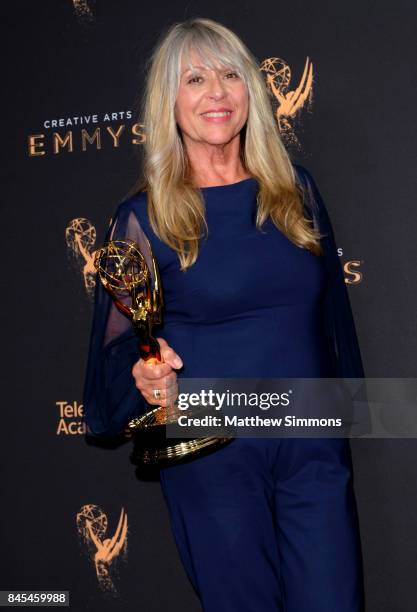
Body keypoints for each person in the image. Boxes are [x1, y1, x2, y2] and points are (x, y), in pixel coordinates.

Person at [83, 17, 366, 611]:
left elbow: (333, 321)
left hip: (310, 437)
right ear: (170, 101)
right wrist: (145, 376)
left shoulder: (295, 191)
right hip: (212, 445)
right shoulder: (144, 217)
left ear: (250, 93)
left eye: (230, 74)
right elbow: (117, 358)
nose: (216, 91)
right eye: (194, 78)